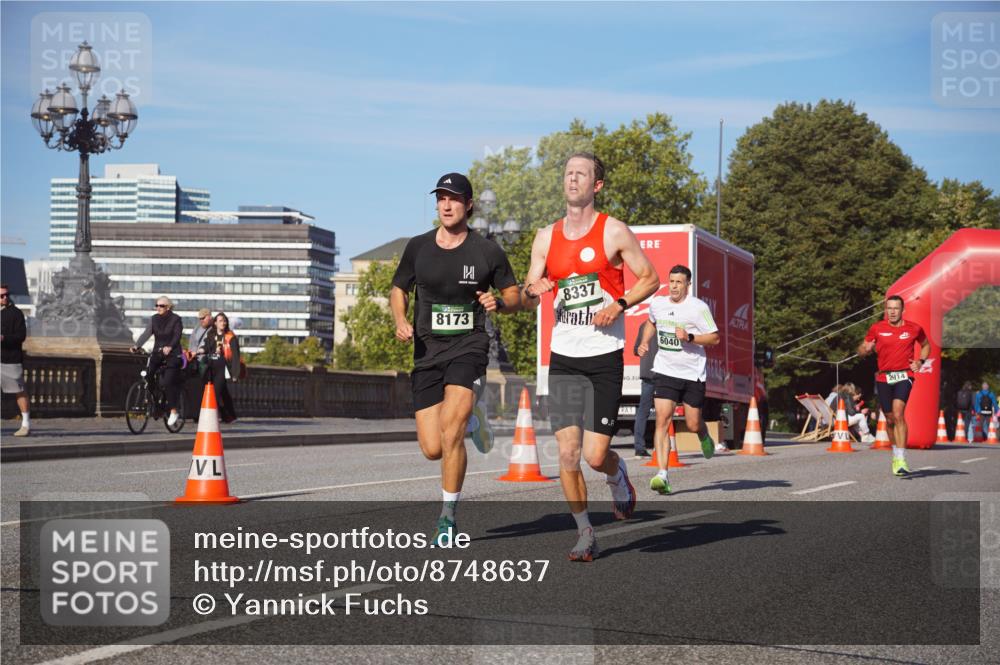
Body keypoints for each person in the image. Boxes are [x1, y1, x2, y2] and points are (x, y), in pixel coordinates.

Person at [521, 152, 659, 561]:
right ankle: (585, 533)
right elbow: (529, 291)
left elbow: (649, 278)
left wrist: (619, 303)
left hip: (604, 356)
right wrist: (534, 290)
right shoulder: (546, 236)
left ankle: (618, 475)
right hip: (563, 355)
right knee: (566, 453)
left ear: (596, 186)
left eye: (582, 174)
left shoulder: (613, 231)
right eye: (568, 173)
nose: (573, 179)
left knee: (595, 456)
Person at [391, 172, 521, 545]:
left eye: (454, 198)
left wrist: (499, 302)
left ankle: (447, 517)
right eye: (441, 198)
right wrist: (401, 320)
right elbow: (398, 289)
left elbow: (514, 295)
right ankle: (474, 420)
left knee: (451, 433)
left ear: (469, 205)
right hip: (427, 352)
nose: (446, 205)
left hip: (469, 347)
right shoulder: (417, 247)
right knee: (433, 448)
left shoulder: (486, 251)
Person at [636, 265, 721, 495]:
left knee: (693, 423)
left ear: (688, 284)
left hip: (692, 373)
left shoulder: (698, 308)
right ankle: (662, 475)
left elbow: (714, 338)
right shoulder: (659, 304)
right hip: (665, 370)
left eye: (679, 282)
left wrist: (690, 337)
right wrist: (645, 341)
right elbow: (650, 322)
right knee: (662, 420)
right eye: (671, 281)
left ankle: (704, 435)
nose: (674, 286)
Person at [858, 295, 930, 476]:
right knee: (889, 418)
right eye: (889, 308)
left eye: (895, 308)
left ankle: (901, 457)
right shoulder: (877, 328)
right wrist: (864, 350)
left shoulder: (914, 328)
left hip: (905, 375)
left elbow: (926, 345)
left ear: (902, 310)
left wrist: (920, 361)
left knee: (898, 413)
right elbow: (862, 348)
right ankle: (895, 453)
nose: (891, 312)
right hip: (883, 378)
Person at [131, 296, 184, 427]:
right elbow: (146, 333)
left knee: (167, 382)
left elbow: (177, 336)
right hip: (158, 353)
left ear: (168, 307)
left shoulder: (176, 319)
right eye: (157, 305)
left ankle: (173, 411)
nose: (158, 308)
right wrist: (137, 345)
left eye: (161, 306)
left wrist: (170, 347)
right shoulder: (154, 319)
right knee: (148, 376)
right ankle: (156, 403)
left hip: (173, 355)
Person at [1, 284, 30, 436]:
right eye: (1, 296)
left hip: (10, 359)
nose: (5, 297)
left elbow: (21, 336)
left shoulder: (16, 313)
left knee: (19, 391)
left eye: (6, 295)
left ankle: (25, 425)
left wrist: (4, 338)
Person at [202, 312, 240, 423]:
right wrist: (201, 350)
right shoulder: (211, 335)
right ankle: (229, 415)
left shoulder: (230, 337)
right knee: (224, 393)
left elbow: (236, 356)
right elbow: (206, 347)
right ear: (215, 323)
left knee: (216, 392)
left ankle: (213, 416)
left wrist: (235, 373)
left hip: (224, 369)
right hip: (212, 367)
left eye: (224, 321)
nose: (223, 323)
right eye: (220, 321)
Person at [631, 320, 656, 457]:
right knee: (665, 411)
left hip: (647, 372)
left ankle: (639, 447)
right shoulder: (669, 324)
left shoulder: (643, 325)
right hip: (664, 372)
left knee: (643, 411)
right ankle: (663, 446)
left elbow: (636, 349)